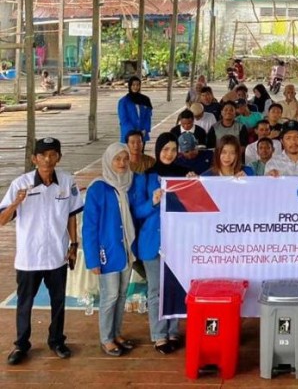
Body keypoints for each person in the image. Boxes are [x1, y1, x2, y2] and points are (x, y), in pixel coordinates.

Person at [0, 138, 83, 365]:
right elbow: (2, 220)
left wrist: (74, 245)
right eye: (43, 155)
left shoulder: (67, 182)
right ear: (34, 158)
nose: (48, 159)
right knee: (24, 302)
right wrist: (16, 203)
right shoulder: (20, 184)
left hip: (57, 255)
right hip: (29, 257)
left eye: (53, 154)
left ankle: (57, 340)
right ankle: (21, 345)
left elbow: (71, 215)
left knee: (58, 301)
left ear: (59, 157)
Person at [132, 133, 188, 354]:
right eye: (165, 149)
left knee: (175, 288)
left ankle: (173, 330)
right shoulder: (145, 177)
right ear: (157, 151)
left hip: (177, 242)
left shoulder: (184, 175)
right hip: (152, 242)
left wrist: (193, 181)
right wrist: (153, 202)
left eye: (173, 150)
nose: (169, 154)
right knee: (156, 290)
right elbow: (137, 211)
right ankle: (159, 334)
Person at [83, 143, 137, 357]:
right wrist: (93, 259)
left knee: (122, 294)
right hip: (108, 252)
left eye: (125, 159)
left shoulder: (128, 183)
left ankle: (116, 332)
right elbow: (89, 227)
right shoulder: (99, 187)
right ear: (108, 161)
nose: (122, 163)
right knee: (110, 295)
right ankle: (106, 339)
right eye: (117, 159)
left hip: (125, 249)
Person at [118, 76, 153, 143]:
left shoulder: (145, 100)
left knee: (141, 152)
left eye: (137, 85)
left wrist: (145, 129)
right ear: (130, 86)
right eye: (133, 85)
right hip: (129, 134)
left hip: (142, 133)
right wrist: (134, 132)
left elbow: (148, 117)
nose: (135, 87)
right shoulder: (123, 101)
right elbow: (124, 119)